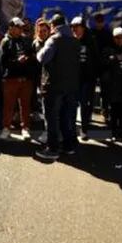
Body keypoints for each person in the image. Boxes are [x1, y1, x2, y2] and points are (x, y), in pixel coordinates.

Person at [35, 14, 80, 160]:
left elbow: (43, 58)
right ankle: (69, 146)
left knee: (52, 118)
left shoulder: (54, 39)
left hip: (53, 86)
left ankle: (52, 148)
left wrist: (39, 51)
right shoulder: (74, 40)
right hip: (71, 85)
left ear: (53, 25)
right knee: (67, 117)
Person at [0, 17, 36, 139]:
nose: (20, 29)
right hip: (10, 79)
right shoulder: (5, 42)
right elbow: (2, 62)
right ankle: (6, 128)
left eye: (21, 27)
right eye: (17, 27)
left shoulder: (26, 40)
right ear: (11, 28)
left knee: (25, 105)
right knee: (8, 105)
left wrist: (27, 59)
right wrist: (17, 62)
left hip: (25, 79)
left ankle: (25, 128)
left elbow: (32, 55)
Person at [100, 26, 122, 141]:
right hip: (113, 86)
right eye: (117, 37)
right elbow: (103, 66)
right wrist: (111, 59)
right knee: (114, 111)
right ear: (113, 38)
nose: (119, 39)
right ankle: (114, 131)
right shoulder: (108, 50)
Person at [71, 16, 100, 137]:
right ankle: (71, 129)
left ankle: (84, 129)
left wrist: (94, 75)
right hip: (73, 78)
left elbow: (96, 58)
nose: (75, 29)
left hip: (87, 79)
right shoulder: (70, 40)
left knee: (85, 104)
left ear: (83, 28)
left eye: (77, 27)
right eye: (73, 27)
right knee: (72, 104)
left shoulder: (91, 40)